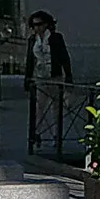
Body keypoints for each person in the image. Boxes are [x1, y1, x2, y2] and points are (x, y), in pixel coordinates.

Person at [24, 9, 74, 150]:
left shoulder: (56, 38)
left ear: (47, 24)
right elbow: (29, 60)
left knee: (57, 109)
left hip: (55, 77)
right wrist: (27, 80)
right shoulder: (32, 40)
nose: (37, 28)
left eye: (39, 24)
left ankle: (57, 137)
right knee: (39, 109)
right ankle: (37, 135)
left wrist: (69, 76)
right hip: (40, 78)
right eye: (34, 25)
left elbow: (64, 57)